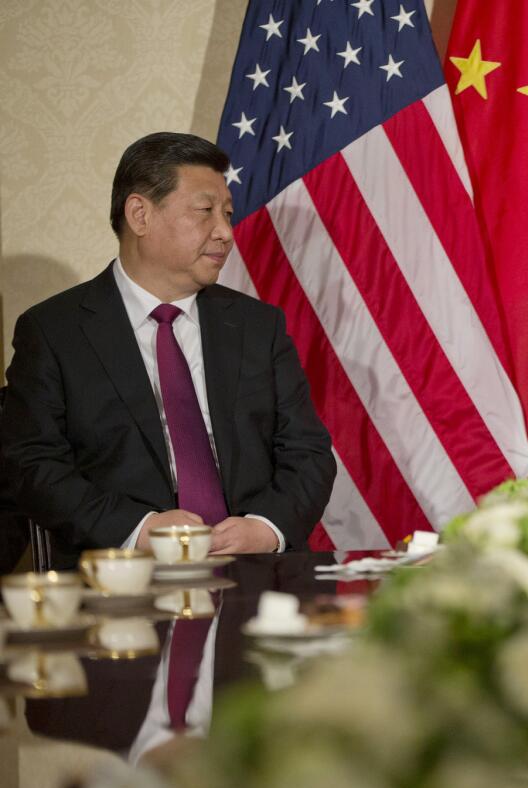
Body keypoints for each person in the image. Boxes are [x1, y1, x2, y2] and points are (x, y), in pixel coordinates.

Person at [1, 132, 335, 567]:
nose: (225, 233)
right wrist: (138, 529)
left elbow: (308, 454)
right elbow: (31, 464)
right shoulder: (53, 331)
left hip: (254, 573)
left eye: (228, 214)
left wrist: (266, 528)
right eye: (205, 212)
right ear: (140, 214)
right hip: (120, 579)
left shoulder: (258, 326)